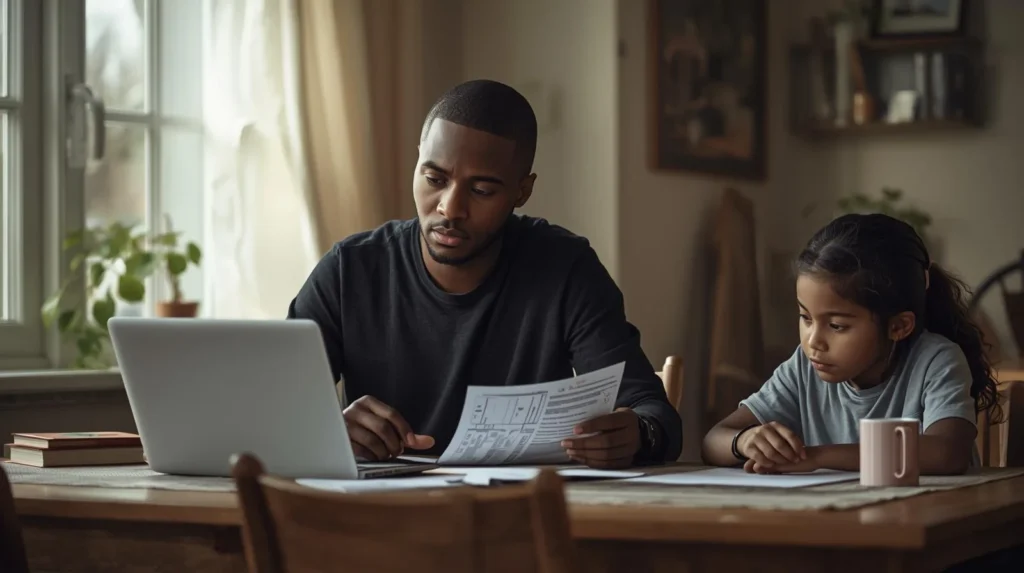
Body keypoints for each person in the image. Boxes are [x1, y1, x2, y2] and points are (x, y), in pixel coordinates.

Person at [288, 79, 682, 469]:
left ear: (522, 192)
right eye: (435, 179)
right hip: (378, 516)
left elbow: (656, 416)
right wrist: (328, 429)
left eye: (481, 190)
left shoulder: (566, 270)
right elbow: (271, 410)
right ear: (418, 162)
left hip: (516, 516)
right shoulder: (350, 269)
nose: (450, 208)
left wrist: (636, 433)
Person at [701, 213, 1000, 474]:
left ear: (898, 326)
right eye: (805, 317)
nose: (814, 341)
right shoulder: (804, 368)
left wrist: (817, 457)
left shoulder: (936, 360)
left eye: (837, 326)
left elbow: (946, 453)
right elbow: (714, 439)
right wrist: (744, 441)